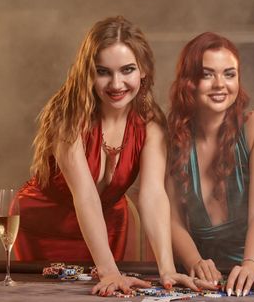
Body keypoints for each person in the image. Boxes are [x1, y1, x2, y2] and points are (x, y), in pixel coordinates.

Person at [14, 16, 207, 296]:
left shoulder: (151, 122)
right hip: (43, 224)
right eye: (103, 71)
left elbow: (153, 194)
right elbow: (85, 194)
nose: (116, 84)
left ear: (143, 70)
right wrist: (109, 269)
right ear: (88, 73)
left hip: (108, 225)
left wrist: (167, 269)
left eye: (127, 70)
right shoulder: (67, 115)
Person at [166, 32, 254, 297]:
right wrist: (195, 261)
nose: (220, 84)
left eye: (229, 74)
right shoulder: (172, 138)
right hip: (202, 278)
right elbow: (172, 218)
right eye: (207, 74)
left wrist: (252, 264)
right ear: (189, 82)